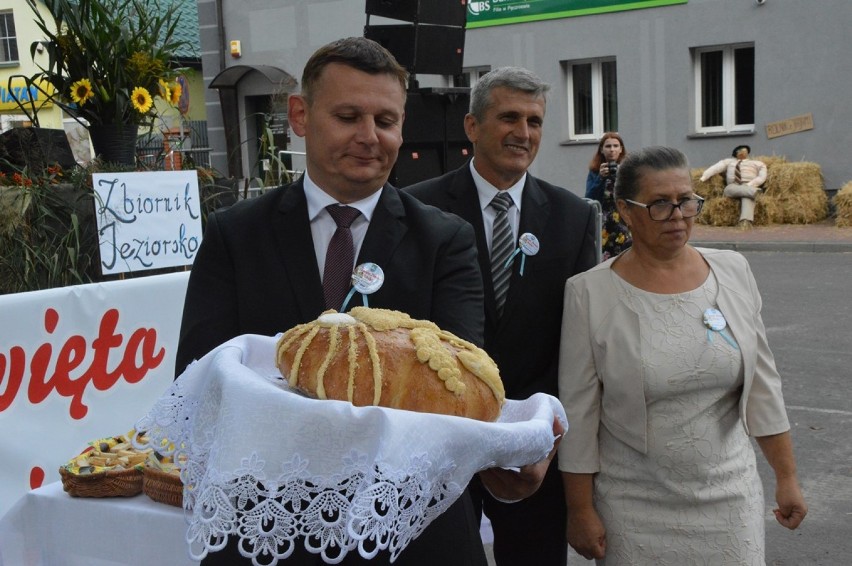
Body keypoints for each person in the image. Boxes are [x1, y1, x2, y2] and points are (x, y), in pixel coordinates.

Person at [176, 37, 560, 566]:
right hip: (271, 529)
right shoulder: (234, 236)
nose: (369, 137)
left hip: (415, 534)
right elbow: (200, 382)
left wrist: (506, 455)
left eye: (385, 120)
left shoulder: (444, 238)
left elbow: (458, 384)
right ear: (300, 116)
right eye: (348, 116)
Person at [558, 146, 807, 564]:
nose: (677, 214)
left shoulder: (733, 271)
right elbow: (579, 414)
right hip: (633, 504)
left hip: (730, 498)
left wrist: (787, 477)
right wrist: (580, 509)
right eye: (659, 204)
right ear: (624, 209)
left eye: (686, 200)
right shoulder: (589, 293)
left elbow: (763, 382)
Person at [407, 67, 597, 566]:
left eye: (535, 121)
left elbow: (578, 345)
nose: (524, 133)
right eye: (509, 117)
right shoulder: (418, 208)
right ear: (472, 126)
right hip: (442, 446)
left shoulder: (574, 217)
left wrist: (546, 437)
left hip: (530, 452)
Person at [585, 132, 632, 259]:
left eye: (616, 146)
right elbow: (589, 198)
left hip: (624, 221)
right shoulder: (595, 171)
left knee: (625, 256)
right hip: (603, 222)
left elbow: (634, 194)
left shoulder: (629, 170)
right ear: (601, 150)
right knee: (603, 257)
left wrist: (622, 175)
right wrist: (600, 178)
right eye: (608, 146)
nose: (612, 150)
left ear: (621, 149)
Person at [699, 144, 767, 229]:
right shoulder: (729, 162)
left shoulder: (758, 163)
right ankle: (755, 193)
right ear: (735, 153)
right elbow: (716, 168)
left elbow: (762, 177)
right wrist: (704, 177)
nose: (743, 152)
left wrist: (750, 184)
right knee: (727, 190)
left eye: (744, 150)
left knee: (747, 197)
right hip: (733, 186)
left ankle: (745, 222)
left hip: (749, 184)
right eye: (740, 150)